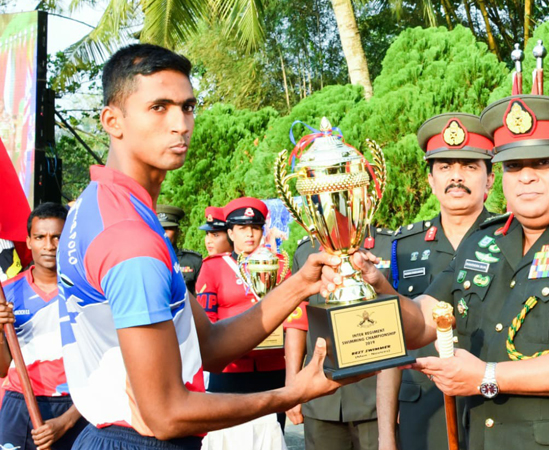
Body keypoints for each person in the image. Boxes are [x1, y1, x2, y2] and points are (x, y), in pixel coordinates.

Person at [56, 43, 357, 450]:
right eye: (158, 107)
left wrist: (301, 284)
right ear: (113, 120)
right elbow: (166, 414)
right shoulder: (129, 239)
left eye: (188, 106)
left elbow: (209, 347)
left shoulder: (98, 205)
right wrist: (292, 394)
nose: (180, 123)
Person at [320, 95, 549, 450]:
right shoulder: (482, 241)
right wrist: (375, 287)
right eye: (513, 165)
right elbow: (422, 321)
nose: (526, 177)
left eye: (542, 163)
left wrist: (487, 377)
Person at [376, 113, 494, 450]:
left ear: (489, 180)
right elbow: (390, 344)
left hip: (493, 405)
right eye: (444, 167)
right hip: (424, 408)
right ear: (430, 180)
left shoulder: (511, 240)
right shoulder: (404, 246)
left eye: (470, 166)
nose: (456, 177)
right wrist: (386, 437)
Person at [284, 225, 394, 450]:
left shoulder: (389, 244)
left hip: (374, 394)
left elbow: (403, 319)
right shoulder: (307, 251)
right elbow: (297, 323)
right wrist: (291, 385)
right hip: (320, 395)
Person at [195, 197, 291, 432]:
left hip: (273, 369)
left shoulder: (280, 264)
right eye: (242, 228)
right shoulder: (213, 267)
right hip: (230, 371)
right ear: (230, 232)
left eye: (256, 228)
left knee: (271, 439)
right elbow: (207, 322)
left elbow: (293, 314)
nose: (250, 234)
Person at [0, 202, 88, 450]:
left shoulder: (89, 293)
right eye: (40, 237)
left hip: (75, 407)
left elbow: (105, 369)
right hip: (20, 405)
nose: (48, 246)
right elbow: (2, 369)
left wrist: (66, 422)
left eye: (56, 237)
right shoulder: (7, 293)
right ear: (28, 241)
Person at [157, 204, 202, 294]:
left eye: (168, 229)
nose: (163, 233)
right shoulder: (145, 260)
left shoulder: (194, 261)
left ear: (178, 231)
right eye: (159, 228)